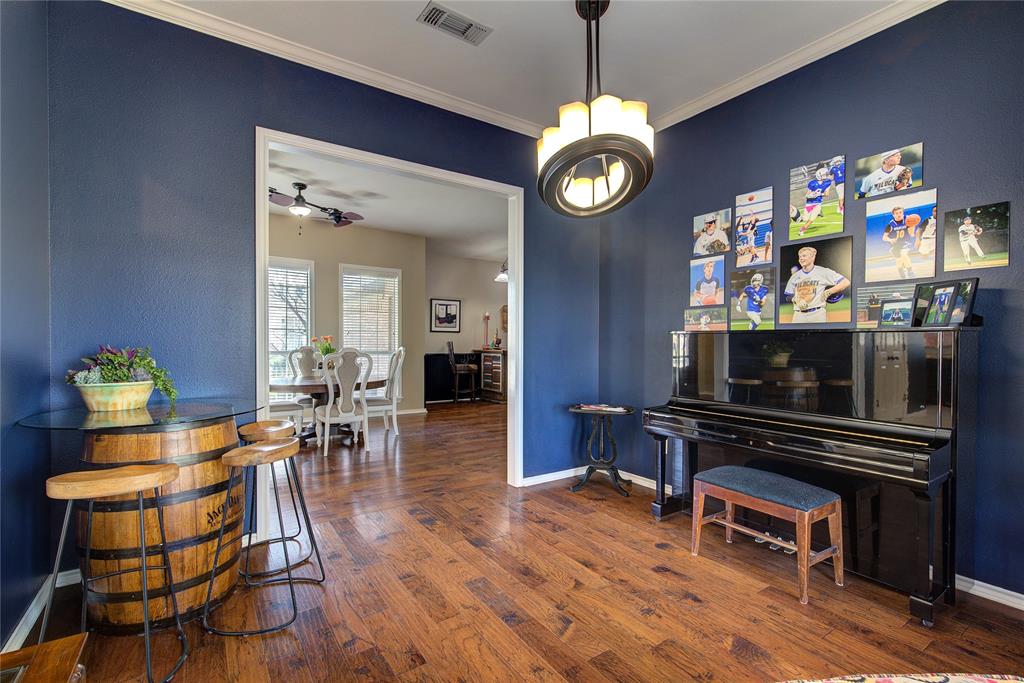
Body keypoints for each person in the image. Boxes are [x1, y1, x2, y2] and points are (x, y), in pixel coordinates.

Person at [784, 246, 849, 323]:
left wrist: (830, 291)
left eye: (804, 256)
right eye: (800, 257)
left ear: (812, 257)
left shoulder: (823, 271)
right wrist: (796, 299)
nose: (801, 258)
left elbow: (845, 282)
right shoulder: (795, 276)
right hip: (798, 315)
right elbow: (788, 295)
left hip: (817, 314)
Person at [882, 206, 918, 279]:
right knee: (899, 260)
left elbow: (911, 234)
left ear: (903, 213)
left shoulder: (908, 219)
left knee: (903, 254)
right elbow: (884, 238)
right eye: (896, 213)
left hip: (906, 242)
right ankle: (902, 274)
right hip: (896, 244)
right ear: (893, 215)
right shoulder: (891, 224)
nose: (899, 214)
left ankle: (910, 272)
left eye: (900, 212)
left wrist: (913, 226)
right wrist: (890, 240)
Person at [797, 167, 832, 236]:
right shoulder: (812, 183)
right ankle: (799, 216)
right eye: (824, 174)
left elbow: (827, 194)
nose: (826, 175)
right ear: (819, 175)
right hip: (810, 204)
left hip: (818, 203)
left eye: (826, 174)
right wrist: (811, 195)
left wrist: (820, 194)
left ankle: (802, 230)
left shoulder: (828, 182)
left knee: (812, 219)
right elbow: (806, 195)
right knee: (805, 219)